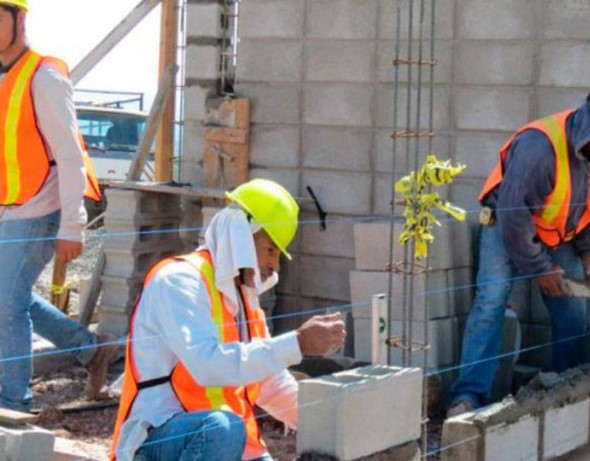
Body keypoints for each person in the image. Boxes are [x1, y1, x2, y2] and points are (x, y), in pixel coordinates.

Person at [448, 78, 590, 416]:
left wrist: (589, 251)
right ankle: (468, 397)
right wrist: (540, 268)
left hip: (556, 235)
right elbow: (515, 218)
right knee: (491, 301)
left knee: (574, 303)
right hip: (506, 227)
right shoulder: (539, 147)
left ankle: (563, 388)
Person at [110, 178, 347, 461]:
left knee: (227, 429)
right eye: (270, 249)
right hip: (161, 439)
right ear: (242, 236)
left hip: (228, 445)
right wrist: (297, 343)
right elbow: (208, 365)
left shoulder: (244, 300)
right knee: (223, 428)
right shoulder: (179, 281)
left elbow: (269, 382)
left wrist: (331, 425)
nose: (274, 265)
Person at [0, 0, 116, 412]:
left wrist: (72, 225)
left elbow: (69, 155)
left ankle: (12, 404)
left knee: (6, 305)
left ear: (20, 19)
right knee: (9, 297)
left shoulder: (44, 76)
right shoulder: (3, 76)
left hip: (39, 208)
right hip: (10, 207)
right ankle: (89, 350)